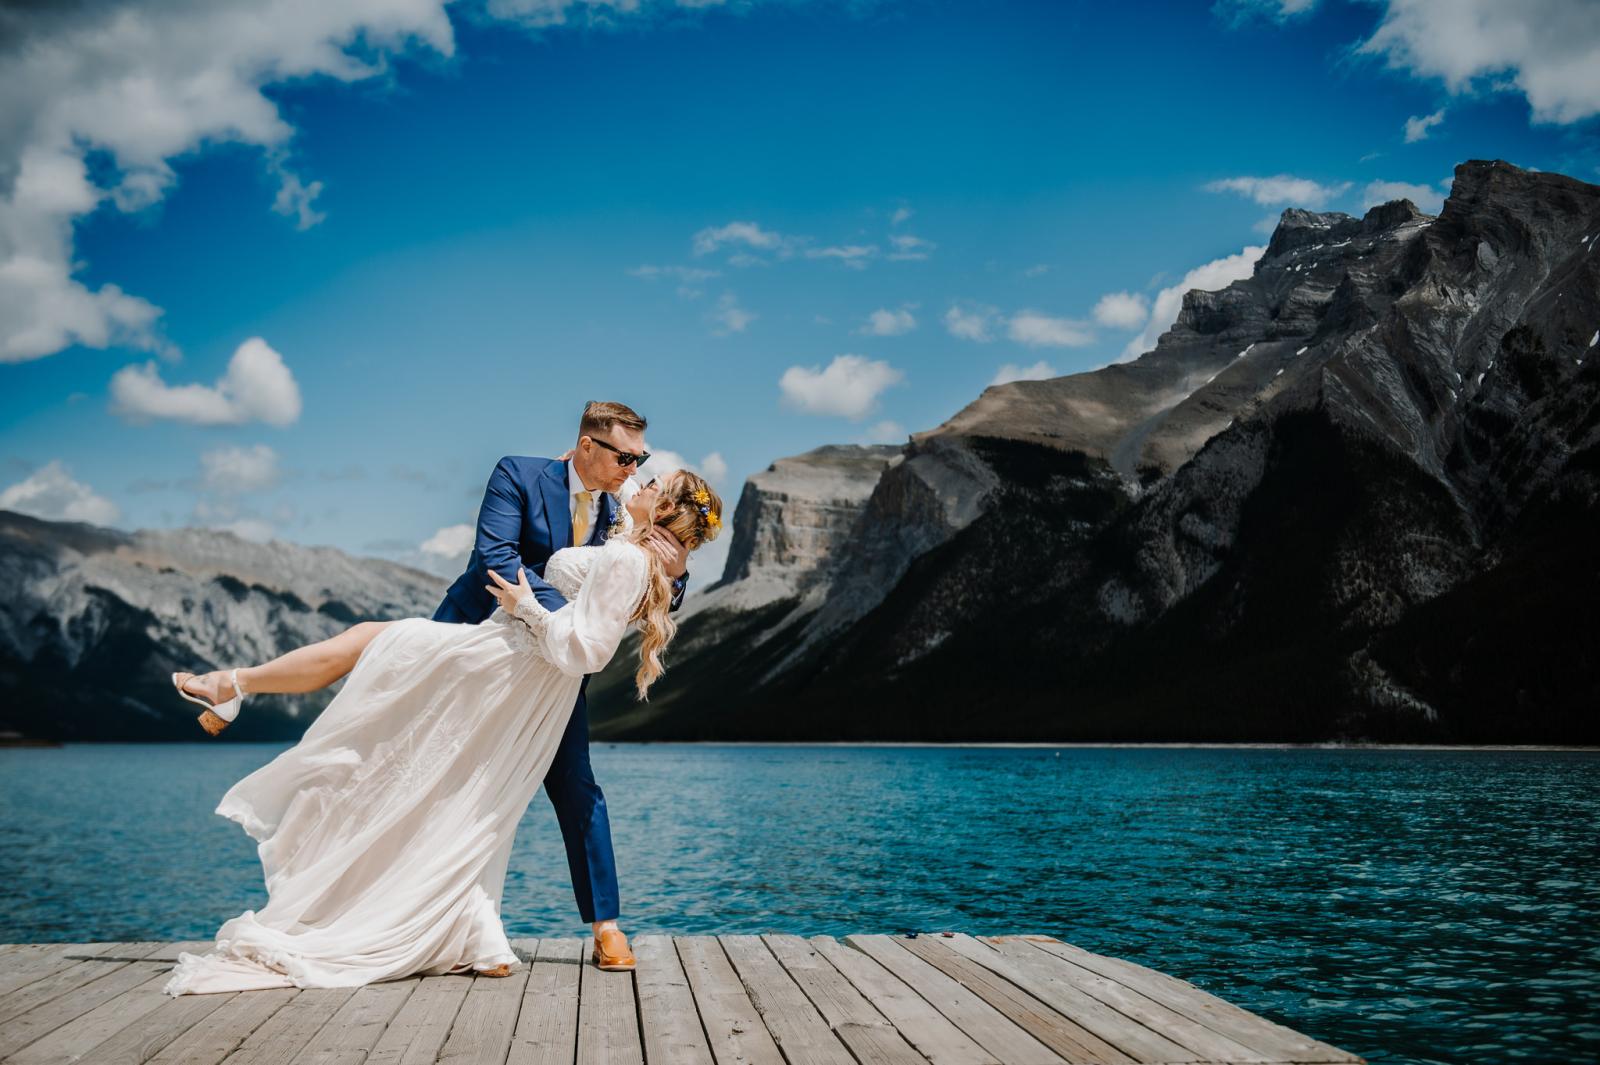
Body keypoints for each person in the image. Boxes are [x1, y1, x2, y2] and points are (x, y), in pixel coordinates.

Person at [161, 470, 723, 995]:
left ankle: (233, 685)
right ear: (591, 444)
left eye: (649, 475)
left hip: (509, 660)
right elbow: (500, 554)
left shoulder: (627, 546)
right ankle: (473, 931)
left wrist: (525, 603)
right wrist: (664, 555)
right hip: (510, 661)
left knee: (376, 657)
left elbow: (589, 648)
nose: (636, 473)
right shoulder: (566, 499)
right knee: (465, 790)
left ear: (666, 509)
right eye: (630, 458)